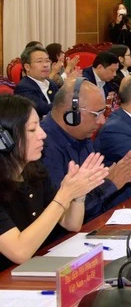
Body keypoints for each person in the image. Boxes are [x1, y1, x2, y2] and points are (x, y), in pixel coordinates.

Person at [0, 94, 108, 271]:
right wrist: (64, 195)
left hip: (35, 270)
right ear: (5, 139)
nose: (43, 135)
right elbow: (19, 252)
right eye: (32, 129)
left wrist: (78, 195)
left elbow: (71, 224)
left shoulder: (34, 171)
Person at [41, 79, 131, 220]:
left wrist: (121, 173)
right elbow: (65, 215)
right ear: (71, 114)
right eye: (96, 114)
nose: (101, 121)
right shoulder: (44, 146)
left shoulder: (81, 134)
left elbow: (94, 192)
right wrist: (111, 182)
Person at [14, 45, 60, 118]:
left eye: (47, 61)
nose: (45, 65)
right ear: (27, 67)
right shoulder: (23, 88)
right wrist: (64, 102)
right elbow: (43, 109)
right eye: (39, 61)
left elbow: (60, 100)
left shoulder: (50, 83)